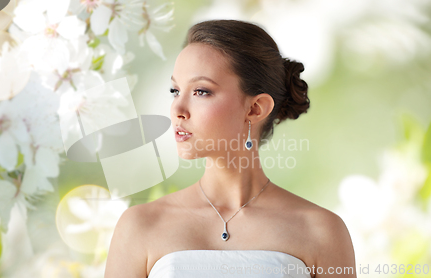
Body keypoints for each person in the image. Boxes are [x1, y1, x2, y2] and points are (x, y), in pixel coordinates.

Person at [104, 19, 357, 278]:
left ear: (255, 109)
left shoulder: (320, 231)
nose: (177, 110)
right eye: (175, 90)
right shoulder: (140, 226)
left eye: (201, 91)